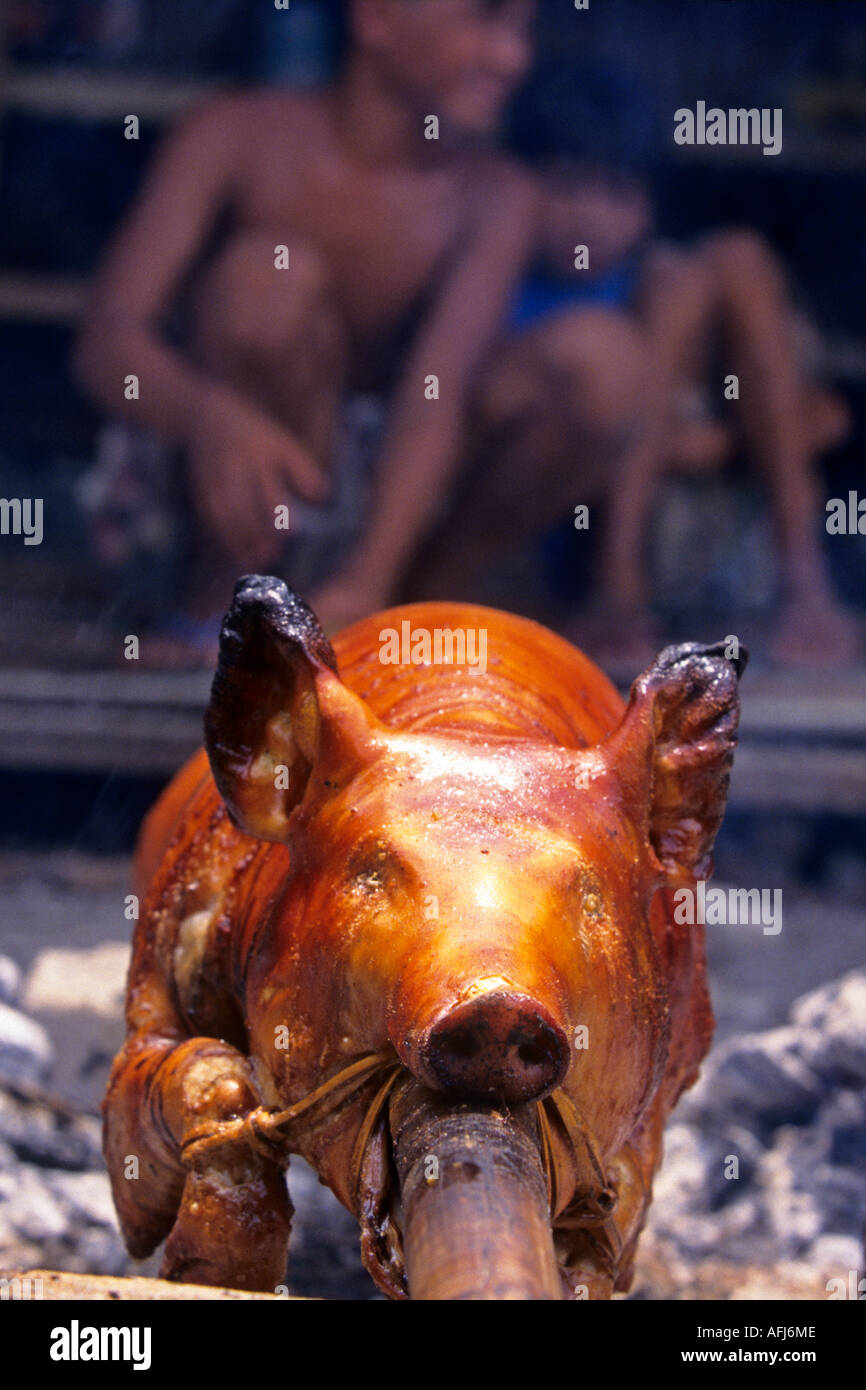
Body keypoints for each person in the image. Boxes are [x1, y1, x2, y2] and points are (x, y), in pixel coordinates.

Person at [74, 0, 538, 660]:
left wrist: (369, 579)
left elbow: (438, 394)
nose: (514, 59)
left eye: (523, 29)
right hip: (214, 480)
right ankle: (221, 603)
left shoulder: (497, 195)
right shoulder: (235, 133)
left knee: (601, 365)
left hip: (383, 495)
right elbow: (105, 341)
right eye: (485, 21)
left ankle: (398, 606)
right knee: (264, 280)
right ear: (376, 18)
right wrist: (207, 414)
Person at [413, 59, 855, 665]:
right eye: (567, 184)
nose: (590, 216)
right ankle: (615, 586)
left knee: (735, 258)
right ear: (517, 182)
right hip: (535, 527)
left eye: (616, 192)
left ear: (649, 207)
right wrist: (692, 444)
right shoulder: (495, 280)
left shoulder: (654, 287)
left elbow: (824, 418)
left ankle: (805, 586)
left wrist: (708, 442)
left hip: (648, 514)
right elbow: (478, 421)